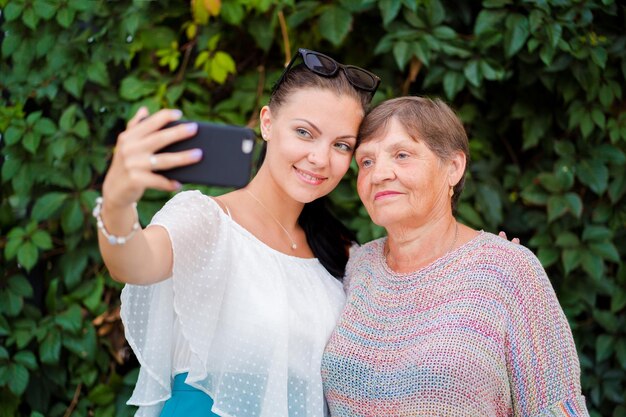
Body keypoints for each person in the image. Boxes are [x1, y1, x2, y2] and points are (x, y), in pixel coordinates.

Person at [94, 48, 380, 417]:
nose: (321, 159)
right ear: (267, 123)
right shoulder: (209, 219)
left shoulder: (342, 252)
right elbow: (133, 264)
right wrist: (116, 202)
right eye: (305, 132)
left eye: (341, 145)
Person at [321, 96, 590, 416]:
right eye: (366, 161)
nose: (378, 174)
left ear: (453, 167)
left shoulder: (508, 271)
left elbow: (555, 408)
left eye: (402, 154)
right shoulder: (358, 267)